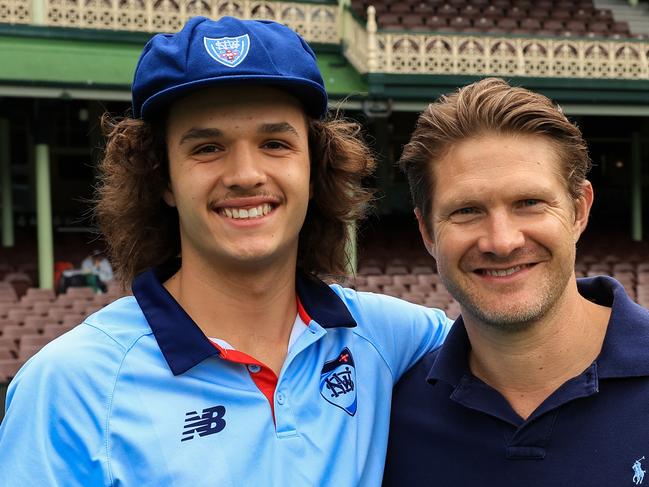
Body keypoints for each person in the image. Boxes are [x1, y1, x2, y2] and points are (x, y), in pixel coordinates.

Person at [0, 16, 451, 486]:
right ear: (163, 180)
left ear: (314, 171)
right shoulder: (71, 385)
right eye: (207, 147)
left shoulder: (392, 337)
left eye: (275, 143)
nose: (245, 174)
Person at [384, 78, 649, 486]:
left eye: (529, 203)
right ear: (428, 232)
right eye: (467, 210)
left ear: (579, 210)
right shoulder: (388, 414)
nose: (502, 242)